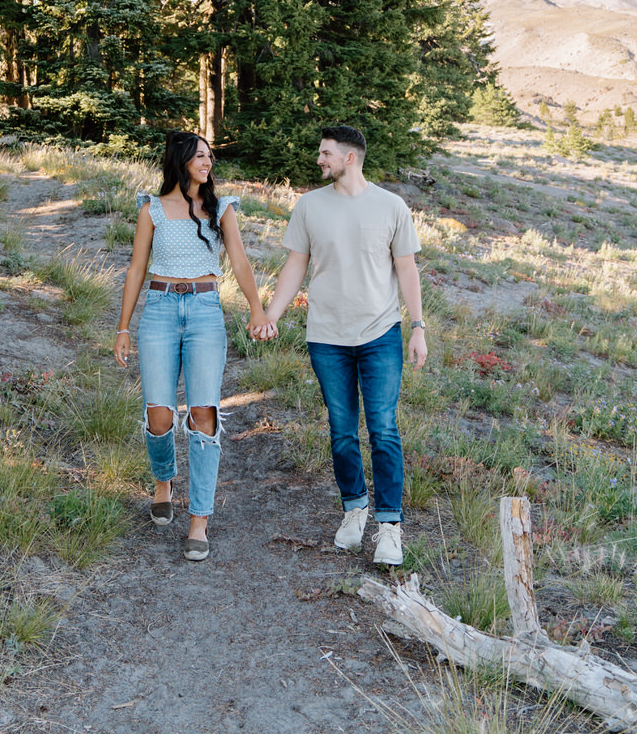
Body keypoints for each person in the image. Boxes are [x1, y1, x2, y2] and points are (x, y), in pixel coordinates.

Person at [257, 124, 427, 566]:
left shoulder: (391, 206)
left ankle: (390, 527)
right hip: (326, 337)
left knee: (384, 428)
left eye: (326, 153)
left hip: (380, 334)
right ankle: (355, 510)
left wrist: (418, 327)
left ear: (349, 157)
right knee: (342, 429)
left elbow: (407, 270)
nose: (320, 159)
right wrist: (272, 314)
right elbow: (296, 264)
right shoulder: (310, 206)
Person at [114, 131, 267, 562]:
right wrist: (123, 326)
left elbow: (238, 260)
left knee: (203, 413)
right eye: (200, 156)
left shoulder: (221, 208)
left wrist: (257, 310)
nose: (208, 162)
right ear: (180, 161)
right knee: (159, 415)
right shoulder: (152, 208)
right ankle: (164, 481)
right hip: (160, 310)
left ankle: (199, 519)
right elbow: (136, 267)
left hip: (204, 311)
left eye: (210, 156)